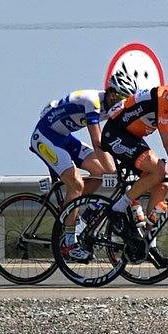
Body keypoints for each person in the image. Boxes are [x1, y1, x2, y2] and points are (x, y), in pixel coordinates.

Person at [99, 66, 168, 235]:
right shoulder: (162, 99)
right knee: (159, 169)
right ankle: (117, 209)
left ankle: (149, 242)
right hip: (115, 134)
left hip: (133, 138)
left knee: (162, 186)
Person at [34, 74, 129, 260]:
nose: (120, 104)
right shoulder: (92, 102)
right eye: (118, 98)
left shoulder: (112, 108)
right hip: (45, 137)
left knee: (99, 173)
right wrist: (113, 172)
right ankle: (69, 244)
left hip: (64, 137)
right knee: (76, 184)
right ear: (110, 93)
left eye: (124, 101)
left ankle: (76, 216)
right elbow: (97, 142)